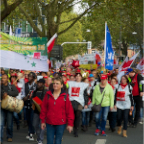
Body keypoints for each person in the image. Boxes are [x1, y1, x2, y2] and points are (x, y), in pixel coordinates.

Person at [40, 77, 74, 144]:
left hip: (61, 123)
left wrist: (70, 124)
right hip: (49, 122)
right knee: (49, 141)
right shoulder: (48, 94)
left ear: (61, 85)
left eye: (57, 83)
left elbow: (69, 111)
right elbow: (44, 109)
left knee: (58, 141)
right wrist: (43, 121)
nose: (55, 85)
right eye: (54, 83)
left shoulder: (65, 96)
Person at [68, 70, 89, 137]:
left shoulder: (83, 85)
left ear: (81, 77)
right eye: (76, 76)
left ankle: (76, 130)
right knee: (72, 115)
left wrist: (86, 103)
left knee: (77, 115)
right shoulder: (71, 83)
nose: (77, 77)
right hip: (72, 101)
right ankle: (72, 126)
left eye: (79, 76)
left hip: (80, 102)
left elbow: (85, 95)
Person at [0, 74, 19, 143]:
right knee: (1, 124)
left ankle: (9, 136)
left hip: (9, 106)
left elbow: (16, 92)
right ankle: (0, 138)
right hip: (2, 107)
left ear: (7, 79)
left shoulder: (11, 86)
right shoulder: (0, 86)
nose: (3, 79)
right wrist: (3, 94)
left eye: (4, 78)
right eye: (2, 78)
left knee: (9, 123)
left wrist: (7, 93)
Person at [32, 78, 47, 144]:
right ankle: (38, 136)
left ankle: (40, 139)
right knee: (34, 124)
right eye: (38, 83)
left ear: (43, 84)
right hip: (36, 111)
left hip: (43, 111)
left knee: (42, 125)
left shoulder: (46, 91)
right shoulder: (35, 91)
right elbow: (32, 98)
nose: (39, 84)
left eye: (40, 83)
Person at [23, 72, 37, 141]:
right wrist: (24, 97)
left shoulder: (36, 86)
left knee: (32, 119)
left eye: (31, 77)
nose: (29, 78)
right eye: (29, 76)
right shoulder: (25, 85)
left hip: (33, 104)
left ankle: (31, 133)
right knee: (27, 119)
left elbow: (37, 96)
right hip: (26, 103)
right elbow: (22, 93)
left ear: (34, 78)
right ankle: (31, 131)